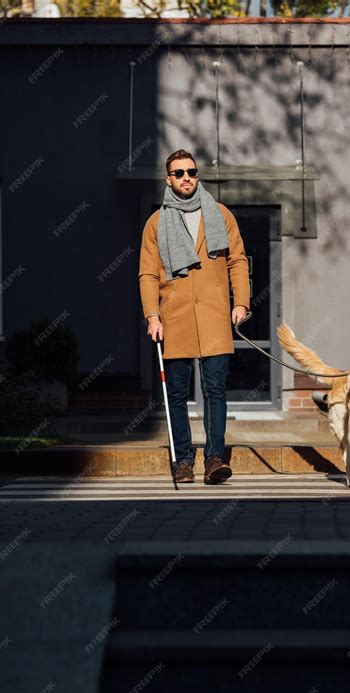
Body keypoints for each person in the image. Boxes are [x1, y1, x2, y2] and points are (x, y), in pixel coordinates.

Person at [138, 149, 250, 484]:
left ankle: (215, 458)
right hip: (175, 319)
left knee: (216, 390)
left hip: (215, 315)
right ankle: (183, 461)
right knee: (175, 394)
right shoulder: (156, 223)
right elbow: (147, 275)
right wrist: (152, 316)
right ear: (168, 179)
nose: (186, 177)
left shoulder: (221, 214)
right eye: (179, 173)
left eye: (192, 171)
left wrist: (241, 302)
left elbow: (238, 260)